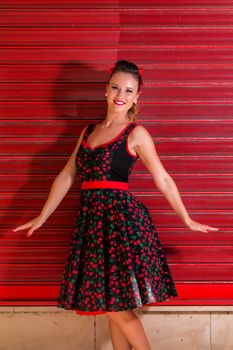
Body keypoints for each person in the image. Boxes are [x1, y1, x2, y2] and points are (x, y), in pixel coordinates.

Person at [13, 59, 219, 350]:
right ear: (106, 91)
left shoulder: (136, 134)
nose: (121, 94)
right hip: (91, 223)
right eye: (116, 87)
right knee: (111, 300)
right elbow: (66, 176)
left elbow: (162, 177)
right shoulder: (87, 132)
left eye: (129, 90)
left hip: (120, 223)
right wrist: (42, 217)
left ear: (137, 97)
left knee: (114, 304)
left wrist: (185, 218)